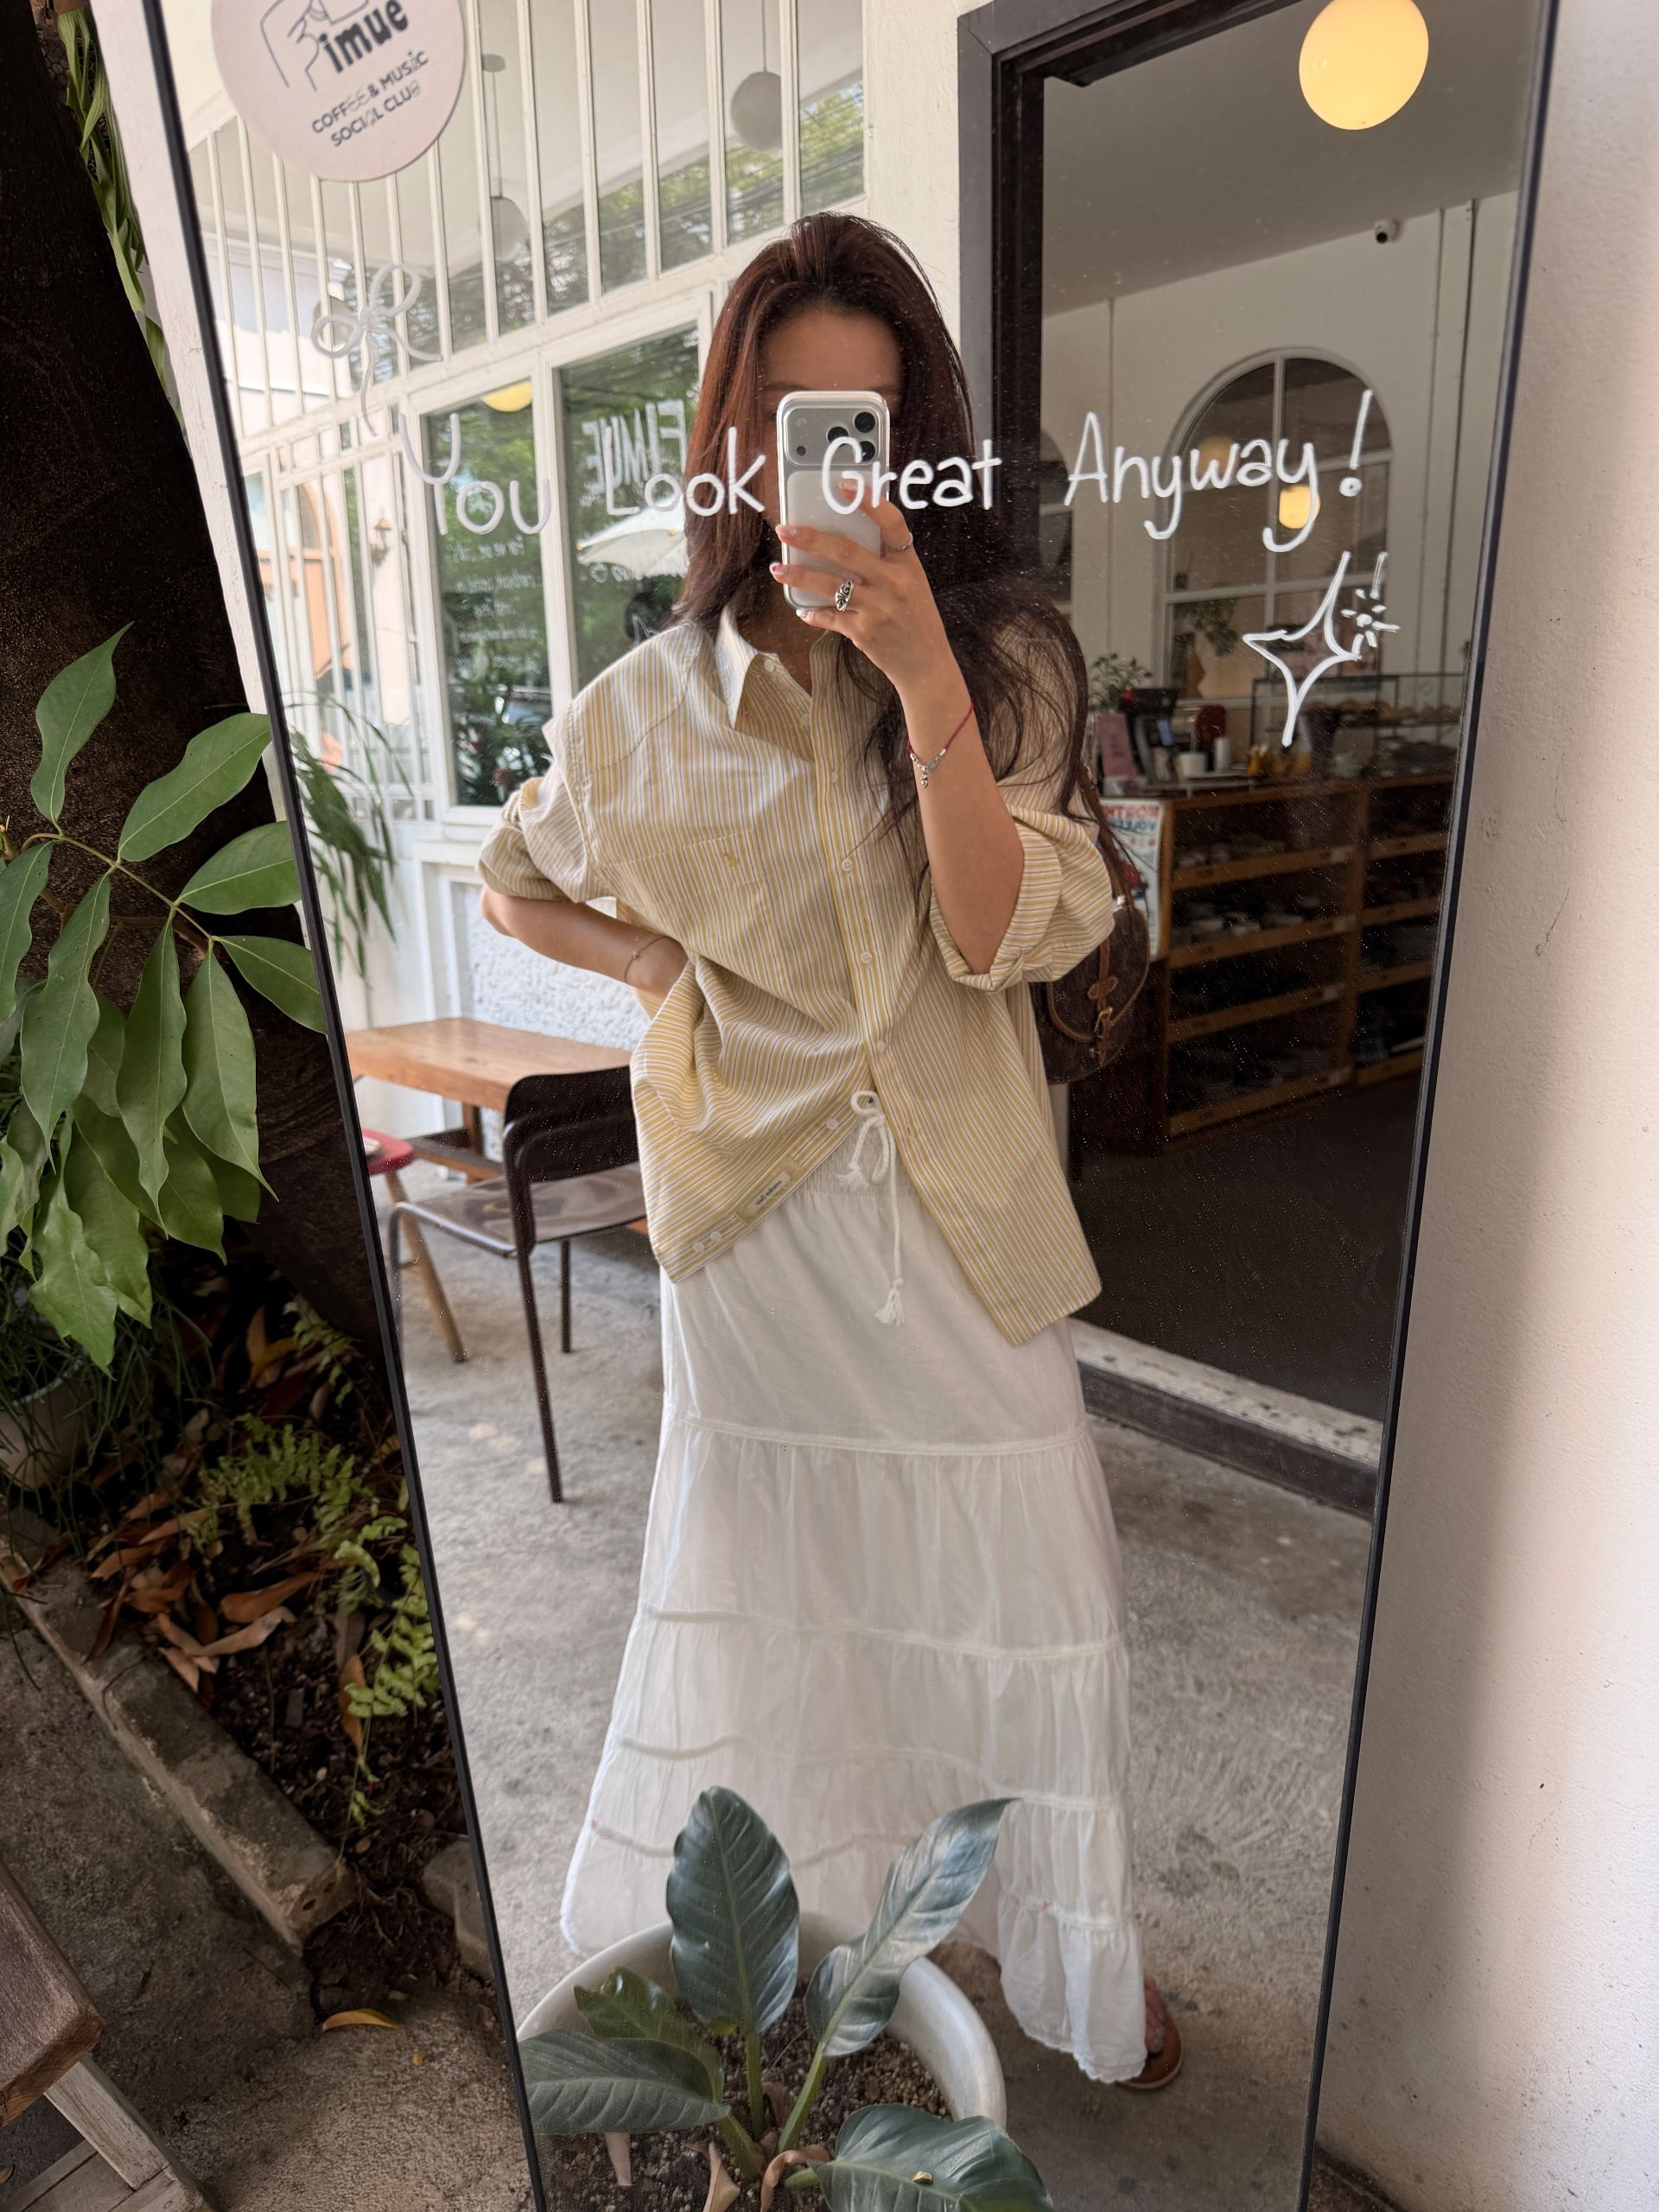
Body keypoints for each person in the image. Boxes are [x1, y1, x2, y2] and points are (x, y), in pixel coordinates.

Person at [477, 212, 1179, 2088]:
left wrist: (926, 677)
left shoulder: (1007, 667)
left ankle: (1056, 1941)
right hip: (761, 1235)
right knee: (789, 1594)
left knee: (1033, 1566)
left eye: (865, 426)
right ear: (730, 440)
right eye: (790, 419)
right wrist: (658, 972)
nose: (826, 465)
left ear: (917, 444)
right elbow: (516, 877)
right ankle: (824, 1941)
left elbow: (1000, 932)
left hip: (963, 1214)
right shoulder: (641, 712)